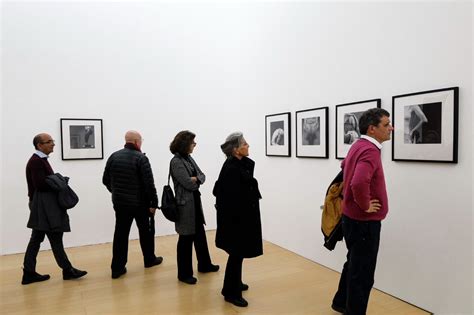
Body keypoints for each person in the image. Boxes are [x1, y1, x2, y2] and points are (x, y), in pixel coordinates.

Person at [331, 108, 394, 314]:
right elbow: (358, 182)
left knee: (353, 264)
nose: (391, 128)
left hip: (351, 219)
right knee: (363, 273)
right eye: (386, 125)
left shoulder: (358, 145)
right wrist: (365, 204)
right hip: (364, 222)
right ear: (372, 129)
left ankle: (340, 302)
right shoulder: (369, 150)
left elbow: (345, 165)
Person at [22, 133, 87, 285]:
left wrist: (56, 180)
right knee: (54, 237)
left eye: (53, 141)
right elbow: (40, 185)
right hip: (44, 207)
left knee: (38, 239)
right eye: (49, 142)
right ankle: (67, 270)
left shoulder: (40, 160)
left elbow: (44, 182)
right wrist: (59, 180)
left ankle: (29, 272)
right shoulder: (36, 161)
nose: (53, 144)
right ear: (39, 145)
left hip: (41, 205)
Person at [102, 130, 162, 279]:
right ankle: (149, 260)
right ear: (136, 142)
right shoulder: (141, 158)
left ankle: (117, 268)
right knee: (145, 232)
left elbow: (105, 180)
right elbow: (149, 184)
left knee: (121, 234)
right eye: (141, 140)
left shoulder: (114, 156)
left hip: (120, 203)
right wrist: (154, 202)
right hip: (140, 204)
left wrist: (116, 192)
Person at [213, 132, 263, 307]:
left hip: (240, 218)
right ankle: (230, 292)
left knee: (238, 255)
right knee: (236, 254)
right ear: (236, 150)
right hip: (236, 221)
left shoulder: (238, 165)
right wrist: (238, 222)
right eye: (244, 144)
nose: (248, 145)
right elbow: (227, 197)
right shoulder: (231, 169)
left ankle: (236, 283)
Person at [169, 131, 219, 285]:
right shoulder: (176, 161)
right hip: (185, 206)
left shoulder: (188, 158)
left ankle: (204, 265)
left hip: (194, 203)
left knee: (199, 236)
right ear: (185, 144)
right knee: (185, 239)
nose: (195, 145)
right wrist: (195, 180)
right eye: (193, 142)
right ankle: (184, 274)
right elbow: (188, 183)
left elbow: (202, 175)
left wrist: (196, 178)